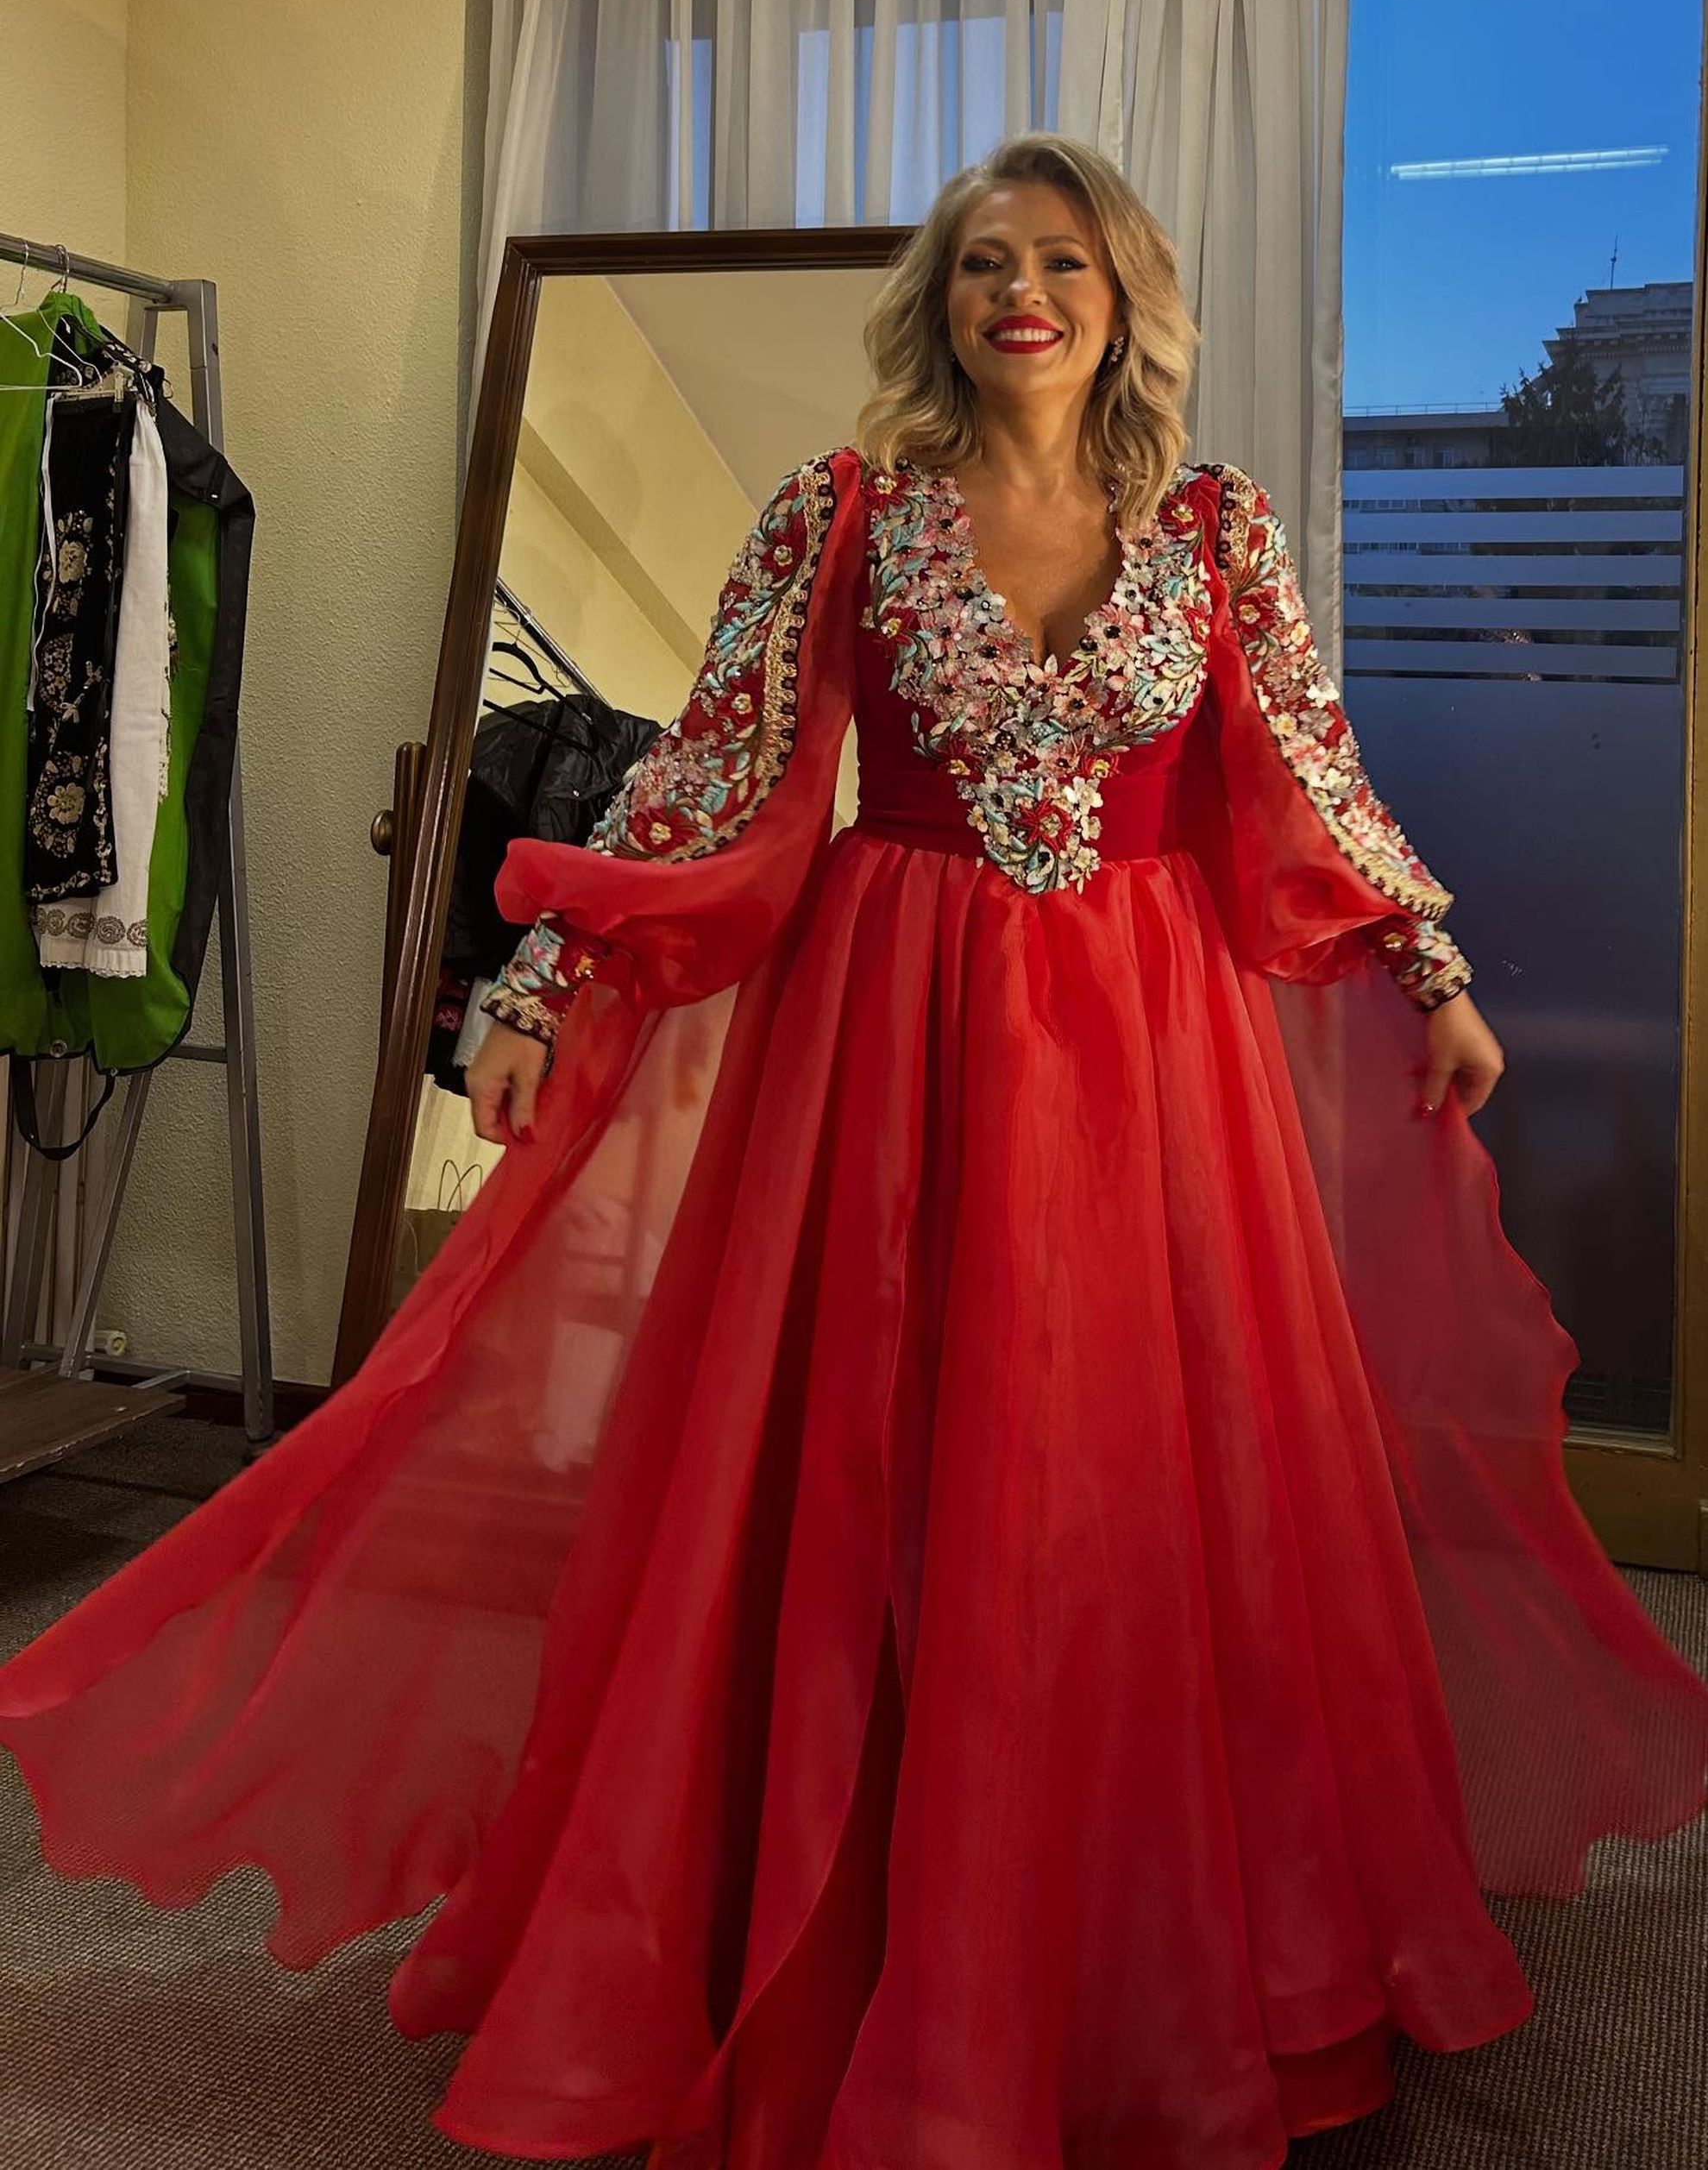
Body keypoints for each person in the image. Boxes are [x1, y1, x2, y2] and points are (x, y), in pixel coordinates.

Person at [4, 134, 1707, 2170]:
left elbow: (1306, 777)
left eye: (1061, 263)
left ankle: (1127, 1942)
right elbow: (714, 778)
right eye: (985, 264)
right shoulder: (842, 515)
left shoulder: (1219, 531)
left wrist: (1427, 966)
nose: (1022, 296)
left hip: (1154, 1059)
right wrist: (542, 979)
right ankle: (839, 1912)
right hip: (890, 1033)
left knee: (1132, 1470)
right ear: (940, 302)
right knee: (873, 1459)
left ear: (1124, 299)